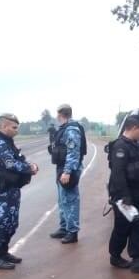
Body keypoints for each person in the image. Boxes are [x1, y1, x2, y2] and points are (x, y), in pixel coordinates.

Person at [0, 114, 39, 270]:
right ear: (3, 126)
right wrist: (30, 168)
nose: (16, 131)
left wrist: (28, 165)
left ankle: (3, 252)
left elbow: (19, 159)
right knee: (4, 223)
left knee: (12, 224)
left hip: (12, 188)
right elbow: (10, 164)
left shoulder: (8, 143)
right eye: (14, 128)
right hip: (3, 190)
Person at [107, 115, 139, 274]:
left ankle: (137, 261)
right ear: (134, 128)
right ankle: (115, 256)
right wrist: (125, 196)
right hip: (125, 196)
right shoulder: (120, 147)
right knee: (123, 228)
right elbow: (118, 174)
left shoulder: (135, 146)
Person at [48, 104, 85, 244]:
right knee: (62, 199)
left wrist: (67, 171)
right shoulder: (64, 128)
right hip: (61, 167)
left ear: (59, 114)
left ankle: (72, 231)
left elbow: (73, 152)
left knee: (70, 199)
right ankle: (64, 227)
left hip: (68, 169)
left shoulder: (71, 129)